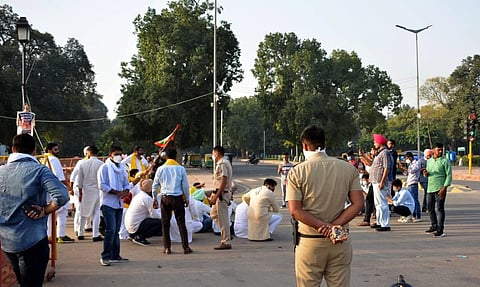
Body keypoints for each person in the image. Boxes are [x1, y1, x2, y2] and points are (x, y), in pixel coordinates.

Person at [286, 125, 364, 287]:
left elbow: (295, 210)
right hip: (339, 240)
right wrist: (334, 227)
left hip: (310, 241)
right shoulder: (347, 169)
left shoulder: (297, 172)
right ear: (325, 143)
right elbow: (357, 204)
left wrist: (323, 227)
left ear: (305, 146)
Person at [0, 134, 69, 287]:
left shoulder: (1, 171)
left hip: (7, 242)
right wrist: (46, 210)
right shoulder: (39, 170)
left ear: (12, 149)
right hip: (33, 240)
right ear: (34, 150)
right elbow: (62, 196)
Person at [152, 148, 193, 255]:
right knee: (181, 222)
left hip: (165, 197)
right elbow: (185, 186)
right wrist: (187, 198)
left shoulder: (161, 169)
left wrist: (154, 198)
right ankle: (185, 247)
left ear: (166, 156)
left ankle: (167, 247)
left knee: (165, 223)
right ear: (176, 156)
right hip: (177, 198)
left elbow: (155, 185)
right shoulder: (180, 169)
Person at [97, 145, 131, 266]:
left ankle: (115, 255)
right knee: (110, 230)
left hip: (119, 203)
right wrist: (117, 192)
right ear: (110, 155)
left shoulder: (122, 168)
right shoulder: (104, 168)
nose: (118, 156)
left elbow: (126, 183)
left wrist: (125, 191)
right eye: (116, 154)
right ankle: (105, 256)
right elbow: (102, 185)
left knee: (116, 230)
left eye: (120, 154)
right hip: (108, 203)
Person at [44, 142, 75, 243]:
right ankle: (61, 235)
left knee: (49, 214)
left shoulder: (42, 159)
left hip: (46, 190)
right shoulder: (54, 160)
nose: (57, 151)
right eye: (55, 149)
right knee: (62, 212)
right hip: (57, 190)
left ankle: (49, 236)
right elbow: (60, 177)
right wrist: (69, 187)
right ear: (49, 150)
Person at [423, 143, 452, 237]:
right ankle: (434, 225)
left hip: (440, 188)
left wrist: (444, 187)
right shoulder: (429, 161)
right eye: (438, 150)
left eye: (441, 150)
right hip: (430, 188)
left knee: (439, 208)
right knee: (430, 208)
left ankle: (440, 229)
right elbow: (428, 173)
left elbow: (449, 175)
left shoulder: (445, 161)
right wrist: (425, 173)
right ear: (433, 150)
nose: (440, 152)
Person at [76, 145, 104, 241]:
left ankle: (80, 233)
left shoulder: (83, 164)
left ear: (88, 152)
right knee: (96, 213)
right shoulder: (101, 164)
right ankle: (95, 234)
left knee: (84, 212)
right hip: (98, 190)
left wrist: (80, 192)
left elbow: (79, 180)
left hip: (87, 190)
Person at [210, 145, 234, 250]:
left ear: (217, 153)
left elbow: (224, 181)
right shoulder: (223, 163)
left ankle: (226, 241)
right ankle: (226, 234)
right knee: (213, 214)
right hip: (219, 193)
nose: (212, 155)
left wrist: (217, 195)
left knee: (222, 218)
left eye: (213, 153)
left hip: (222, 194)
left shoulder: (222, 163)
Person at [125, 179, 162, 246]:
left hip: (130, 226)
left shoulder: (139, 195)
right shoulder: (147, 198)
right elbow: (155, 215)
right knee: (161, 223)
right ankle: (140, 237)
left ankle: (133, 235)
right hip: (136, 226)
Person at [370, 134, 392, 232]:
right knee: (378, 204)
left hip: (380, 181)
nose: (374, 143)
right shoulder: (379, 153)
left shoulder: (385, 153)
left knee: (382, 203)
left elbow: (386, 167)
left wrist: (382, 181)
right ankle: (379, 221)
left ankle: (385, 223)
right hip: (375, 181)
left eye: (375, 141)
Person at [400, 152, 422, 222]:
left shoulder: (416, 163)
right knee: (410, 200)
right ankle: (412, 215)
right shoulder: (410, 164)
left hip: (413, 183)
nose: (407, 160)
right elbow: (407, 173)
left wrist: (404, 168)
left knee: (415, 200)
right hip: (409, 183)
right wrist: (402, 169)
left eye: (407, 158)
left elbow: (412, 171)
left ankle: (417, 215)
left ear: (410, 157)